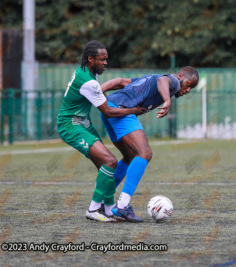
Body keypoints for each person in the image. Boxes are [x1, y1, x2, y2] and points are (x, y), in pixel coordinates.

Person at [57, 40, 147, 223]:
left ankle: (108, 209)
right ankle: (92, 209)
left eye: (106, 59)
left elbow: (102, 96)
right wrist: (133, 110)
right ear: (91, 59)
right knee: (110, 161)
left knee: (104, 167)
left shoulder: (87, 72)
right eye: (102, 60)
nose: (106, 63)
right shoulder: (88, 81)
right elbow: (108, 111)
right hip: (70, 126)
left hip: (82, 123)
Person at [100, 66, 199, 222]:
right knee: (145, 153)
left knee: (129, 156)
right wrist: (167, 100)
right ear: (180, 76)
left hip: (110, 108)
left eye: (190, 89)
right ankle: (122, 206)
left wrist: (98, 93)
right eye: (188, 85)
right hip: (122, 110)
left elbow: (119, 82)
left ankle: (102, 202)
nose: (187, 90)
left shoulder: (149, 78)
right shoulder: (172, 80)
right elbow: (163, 80)